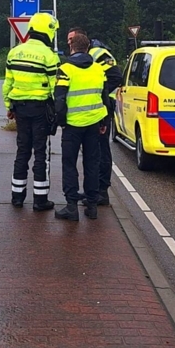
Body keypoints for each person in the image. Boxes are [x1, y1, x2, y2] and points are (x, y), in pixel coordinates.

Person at [3, 12, 60, 211]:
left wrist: (9, 106)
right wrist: (58, 112)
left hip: (19, 108)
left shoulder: (14, 52)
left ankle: (17, 197)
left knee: (22, 151)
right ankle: (40, 199)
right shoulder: (49, 56)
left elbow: (8, 84)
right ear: (47, 31)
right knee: (41, 153)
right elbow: (55, 88)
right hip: (40, 110)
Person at [54, 31, 109, 221]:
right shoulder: (98, 69)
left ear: (72, 47)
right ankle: (92, 206)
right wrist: (103, 122)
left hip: (72, 125)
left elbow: (59, 99)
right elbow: (104, 98)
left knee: (69, 164)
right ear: (88, 49)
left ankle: (71, 207)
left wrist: (61, 122)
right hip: (94, 124)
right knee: (92, 164)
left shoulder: (66, 69)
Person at [89, 38, 123, 206]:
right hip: (96, 108)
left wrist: (99, 94)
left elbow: (116, 76)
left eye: (72, 39)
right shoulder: (90, 54)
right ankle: (96, 190)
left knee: (102, 150)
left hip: (104, 108)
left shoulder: (98, 53)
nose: (69, 43)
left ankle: (102, 191)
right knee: (95, 150)